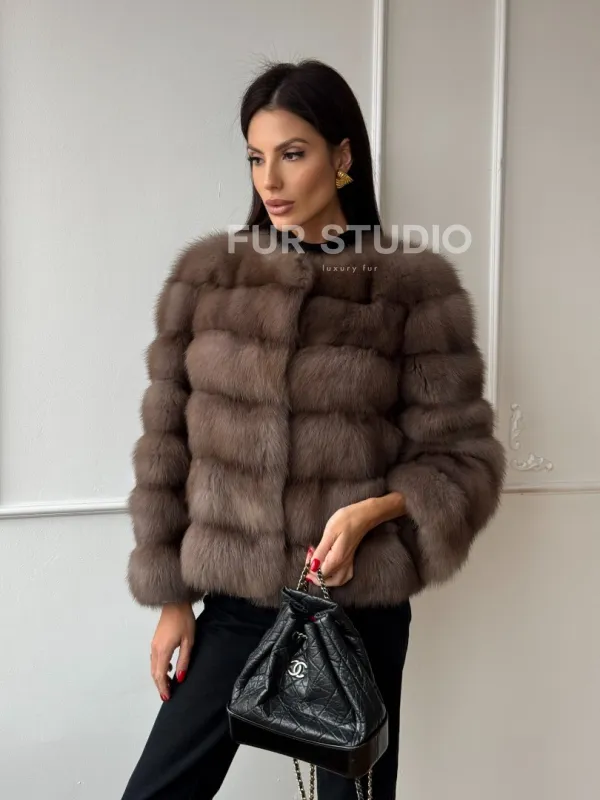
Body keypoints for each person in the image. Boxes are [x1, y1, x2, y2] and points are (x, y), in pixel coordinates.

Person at [120, 58, 506, 800]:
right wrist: (171, 600)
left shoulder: (410, 289)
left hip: (356, 610)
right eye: (256, 157)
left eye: (292, 154)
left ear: (342, 156)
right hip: (234, 604)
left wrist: (370, 514)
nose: (270, 180)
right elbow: (165, 450)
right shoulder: (208, 280)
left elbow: (461, 457)